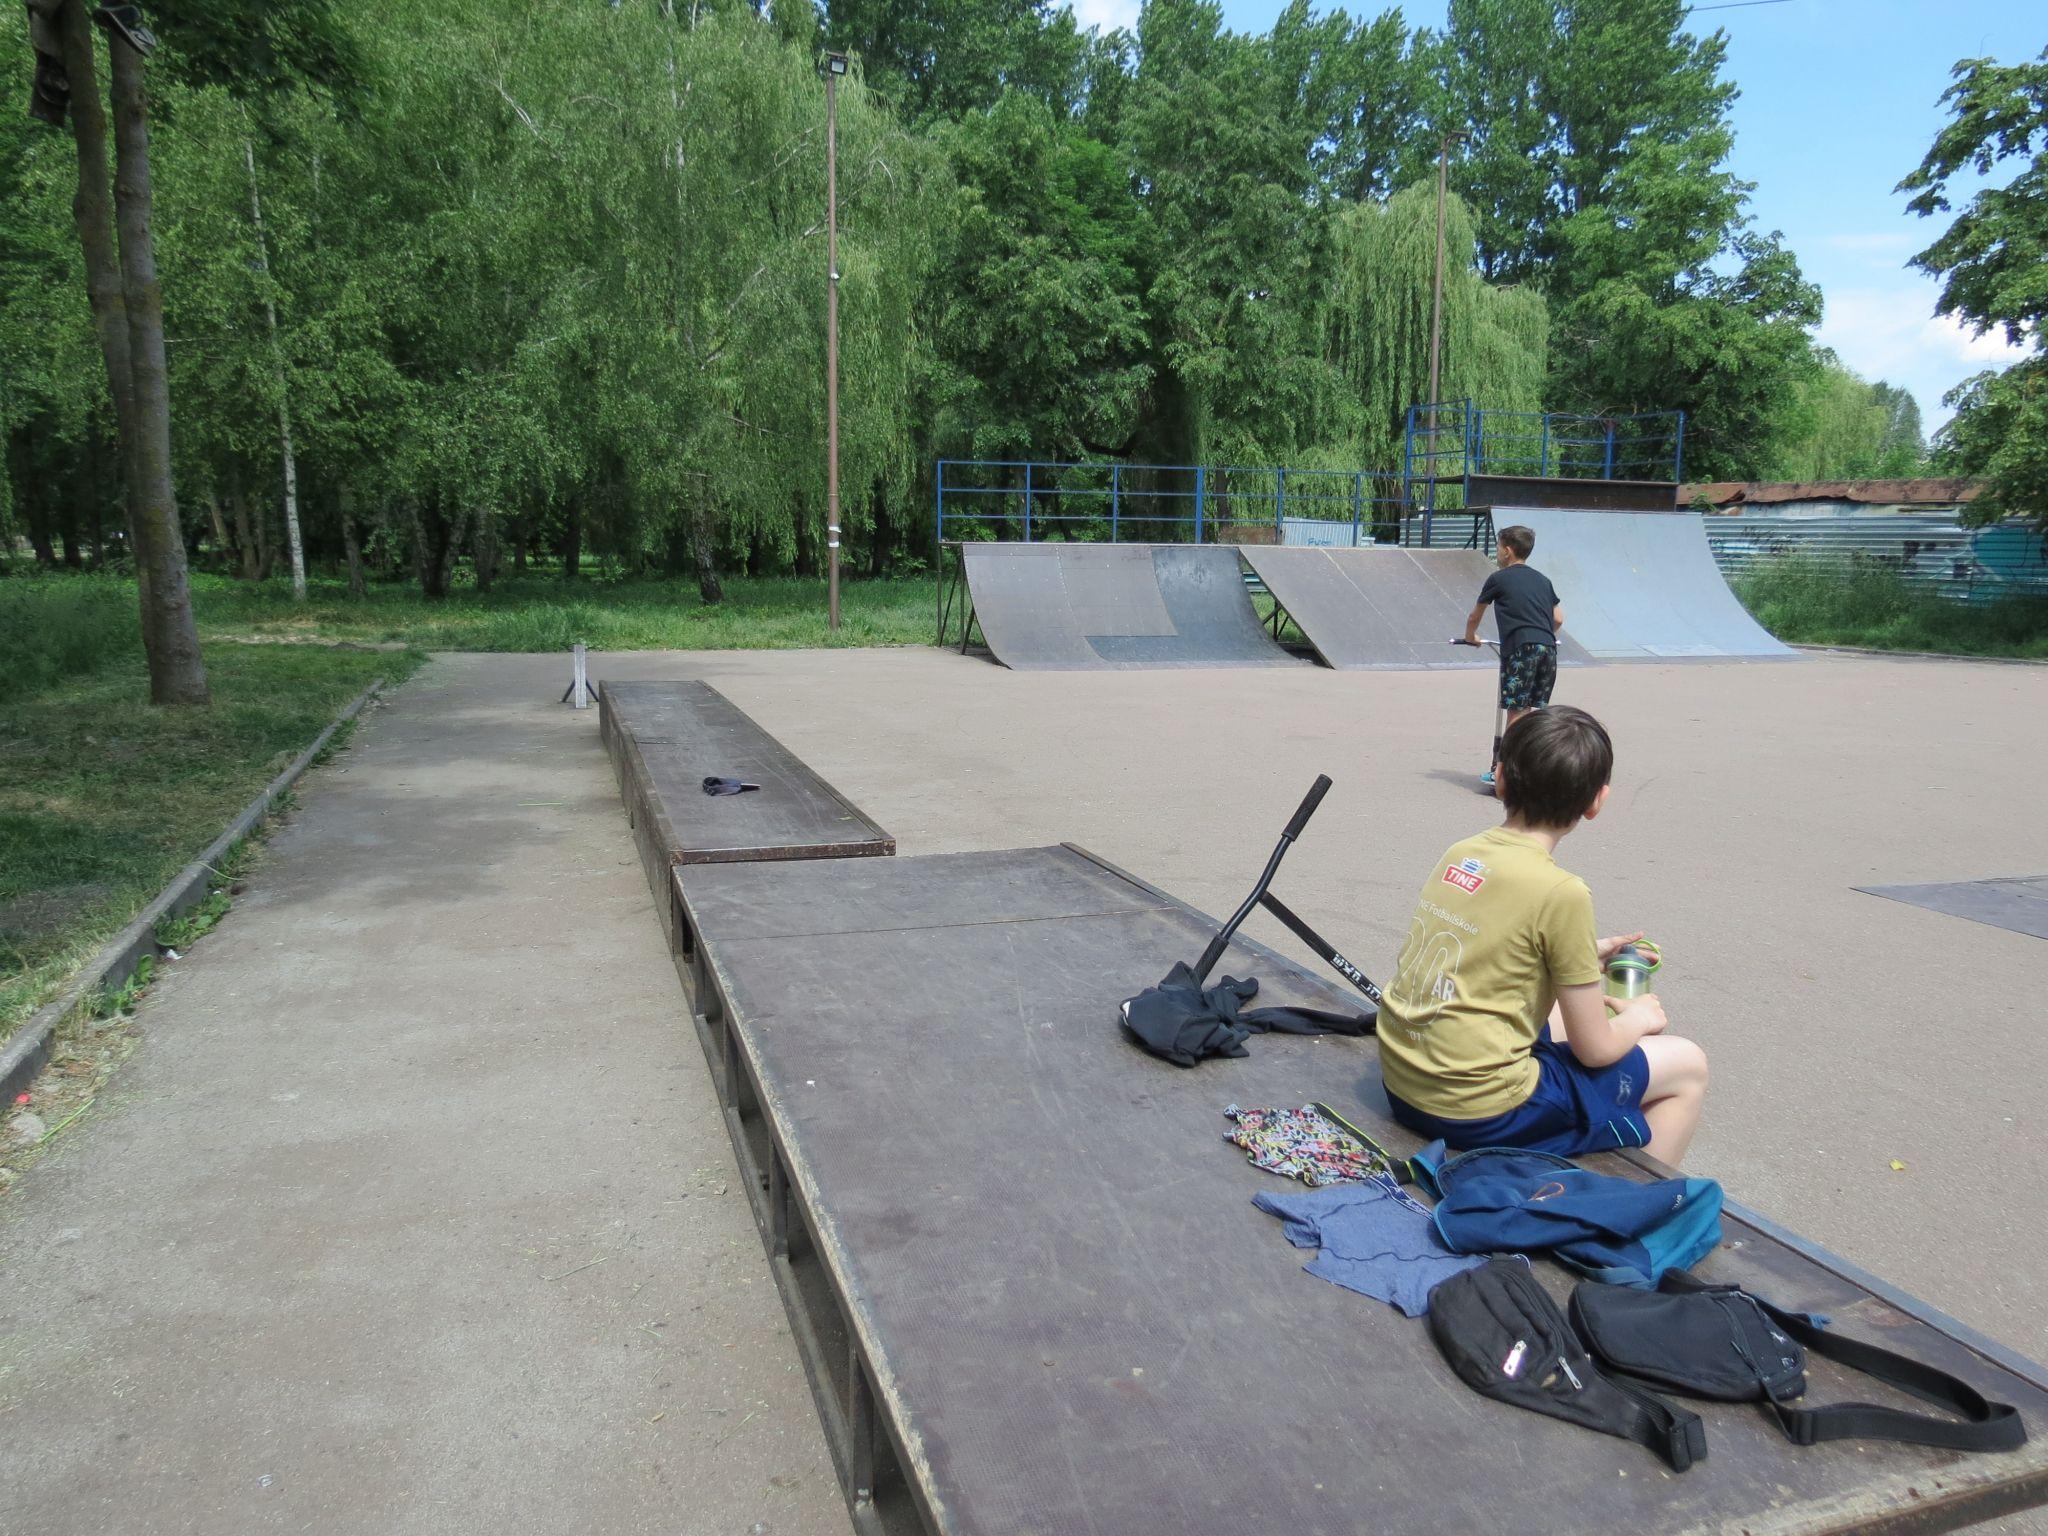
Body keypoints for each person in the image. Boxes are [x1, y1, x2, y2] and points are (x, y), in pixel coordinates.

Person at [1375, 707, 1709, 1167]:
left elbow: (1490, 949)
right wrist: (1638, 1018)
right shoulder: (1562, 891)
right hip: (1478, 1111)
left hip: (1404, 1084)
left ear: (1500, 779)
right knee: (1688, 1064)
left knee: (1556, 1012)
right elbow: (1595, 1051)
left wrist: (1583, 956)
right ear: (1597, 801)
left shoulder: (1462, 852)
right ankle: (1639, 1201)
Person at [1462, 525, 1561, 788]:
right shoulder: (1543, 580)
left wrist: (1471, 637)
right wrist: (1540, 634)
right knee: (1535, 712)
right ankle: (1533, 769)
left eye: (1497, 547)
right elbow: (1558, 618)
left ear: (1507, 551)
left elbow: (1474, 616)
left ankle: (1504, 773)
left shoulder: (1498, 578)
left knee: (1517, 712)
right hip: (1548, 648)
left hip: (1521, 647)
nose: (1496, 552)